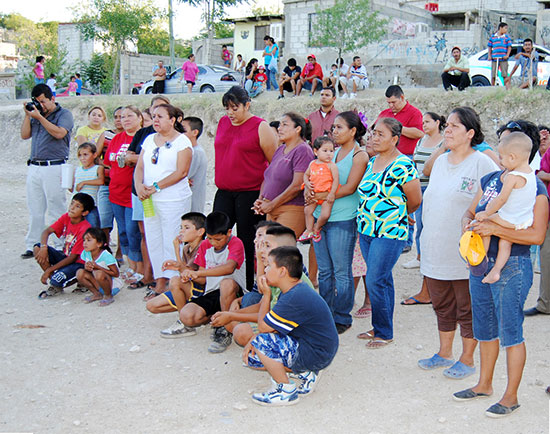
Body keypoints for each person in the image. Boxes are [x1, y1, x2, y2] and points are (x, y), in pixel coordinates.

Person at [455, 124, 548, 418]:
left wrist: (493, 227)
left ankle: (511, 396)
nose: (502, 151)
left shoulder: (536, 186)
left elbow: (536, 236)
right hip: (480, 262)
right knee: (484, 326)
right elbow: (471, 212)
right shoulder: (492, 178)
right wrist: (468, 227)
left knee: (511, 331)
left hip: (513, 265)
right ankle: (484, 384)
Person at [418, 107, 498, 379]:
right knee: (441, 303)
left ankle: (467, 358)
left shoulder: (482, 163)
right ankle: (444, 352)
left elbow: (496, 199)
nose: (447, 130)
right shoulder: (440, 161)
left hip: (465, 250)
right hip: (434, 244)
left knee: (467, 306)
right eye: (447, 125)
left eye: (454, 126)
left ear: (471, 133)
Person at [243, 246, 339, 406]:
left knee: (262, 343)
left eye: (268, 266)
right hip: (318, 348)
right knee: (254, 357)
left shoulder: (294, 296)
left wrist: (266, 295)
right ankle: (307, 373)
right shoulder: (294, 290)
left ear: (282, 271)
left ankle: (285, 391)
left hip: (317, 352)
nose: (265, 270)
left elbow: (263, 328)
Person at [356, 118, 421, 349]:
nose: (374, 137)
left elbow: (415, 199)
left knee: (375, 279)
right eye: (373, 133)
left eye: (380, 134)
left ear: (395, 139)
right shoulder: (372, 161)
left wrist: (401, 212)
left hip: (390, 231)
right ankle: (380, 325)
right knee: (382, 279)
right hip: (366, 230)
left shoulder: (403, 164)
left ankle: (384, 332)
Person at [306, 111, 369, 334]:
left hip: (343, 218)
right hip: (320, 216)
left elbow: (350, 187)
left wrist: (318, 198)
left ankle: (342, 316)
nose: (334, 131)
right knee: (324, 270)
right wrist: (310, 191)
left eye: (339, 127)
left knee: (342, 271)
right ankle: (326, 312)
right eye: (333, 127)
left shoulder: (358, 155)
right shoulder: (330, 152)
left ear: (353, 131)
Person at [213, 86, 278, 290]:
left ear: (247, 105)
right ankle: (219, 282)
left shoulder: (261, 126)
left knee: (248, 241)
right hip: (224, 190)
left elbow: (273, 163)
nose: (230, 112)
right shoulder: (223, 122)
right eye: (227, 108)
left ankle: (250, 286)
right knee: (216, 234)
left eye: (235, 108)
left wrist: (265, 196)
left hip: (250, 192)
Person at [211, 224, 314, 348]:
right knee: (232, 322)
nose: (261, 250)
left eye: (267, 246)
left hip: (299, 335)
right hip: (279, 323)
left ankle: (276, 355)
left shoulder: (291, 279)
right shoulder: (275, 272)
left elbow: (267, 322)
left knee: (241, 331)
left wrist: (232, 315)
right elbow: (262, 306)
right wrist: (228, 315)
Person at [134, 104, 193, 297]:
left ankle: (172, 280)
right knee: (153, 237)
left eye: (160, 116)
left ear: (173, 119)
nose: (155, 120)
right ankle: (160, 278)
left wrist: (157, 186)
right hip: (150, 199)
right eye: (153, 116)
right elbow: (140, 167)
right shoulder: (149, 139)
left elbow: (181, 172)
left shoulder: (182, 141)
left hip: (173, 199)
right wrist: (139, 186)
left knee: (172, 239)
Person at [172, 211, 247, 352]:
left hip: (235, 292)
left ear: (229, 232)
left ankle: (224, 328)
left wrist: (198, 272)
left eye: (218, 239)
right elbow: (203, 279)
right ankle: (214, 318)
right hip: (212, 292)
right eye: (210, 238)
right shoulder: (205, 245)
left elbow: (229, 268)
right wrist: (190, 275)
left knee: (226, 283)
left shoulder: (236, 243)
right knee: (187, 316)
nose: (214, 243)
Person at [20, 83, 74, 259]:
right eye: (37, 102)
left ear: (52, 98)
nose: (40, 106)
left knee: (56, 207)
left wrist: (40, 118)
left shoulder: (64, 114)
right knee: (35, 207)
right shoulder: (36, 115)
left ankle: (59, 245)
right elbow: (24, 134)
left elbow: (59, 133)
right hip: (35, 166)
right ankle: (33, 244)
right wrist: (28, 115)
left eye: (43, 102)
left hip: (54, 166)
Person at [475, 133, 537, 284]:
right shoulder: (531, 175)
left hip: (507, 218)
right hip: (522, 221)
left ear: (512, 157)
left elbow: (501, 199)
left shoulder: (512, 176)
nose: (500, 162)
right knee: (505, 242)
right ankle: (496, 270)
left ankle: (479, 259)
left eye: (502, 157)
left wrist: (487, 213)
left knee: (484, 225)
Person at [124, 96, 171, 290]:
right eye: (154, 110)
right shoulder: (144, 134)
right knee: (146, 233)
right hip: (142, 193)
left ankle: (167, 277)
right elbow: (129, 158)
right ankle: (149, 275)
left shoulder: (176, 136)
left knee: (168, 234)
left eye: (161, 111)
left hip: (166, 194)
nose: (157, 115)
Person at [402, 112, 445, 306]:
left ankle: (428, 263)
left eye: (428, 122)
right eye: (423, 122)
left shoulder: (443, 142)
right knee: (419, 224)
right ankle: (420, 257)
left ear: (437, 123)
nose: (424, 125)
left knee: (429, 227)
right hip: (419, 186)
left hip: (433, 187)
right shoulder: (421, 140)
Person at [376, 85, 423, 253]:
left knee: (405, 199)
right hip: (385, 159)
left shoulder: (414, 112)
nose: (391, 106)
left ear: (402, 98)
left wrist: (397, 128)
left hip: (406, 158)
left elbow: (419, 133)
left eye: (394, 102)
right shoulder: (385, 114)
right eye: (388, 103)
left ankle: (407, 239)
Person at [253, 112, 314, 238]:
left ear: (298, 129)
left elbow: (297, 185)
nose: (279, 128)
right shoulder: (281, 149)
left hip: (290, 208)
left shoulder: (303, 150)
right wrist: (261, 199)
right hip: (271, 207)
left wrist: (272, 204)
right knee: (269, 250)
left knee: (281, 249)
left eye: (285, 125)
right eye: (279, 125)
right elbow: (268, 176)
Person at [146, 212, 206, 337]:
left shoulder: (203, 247)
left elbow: (201, 280)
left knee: (175, 281)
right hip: (189, 287)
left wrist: (179, 266)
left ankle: (184, 321)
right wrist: (177, 250)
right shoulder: (186, 248)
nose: (182, 231)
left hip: (200, 290)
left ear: (200, 232)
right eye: (181, 227)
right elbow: (183, 271)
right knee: (151, 306)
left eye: (187, 228)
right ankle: (185, 312)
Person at [103, 106, 144, 285]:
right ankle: (130, 264)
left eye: (129, 116)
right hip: (115, 192)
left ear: (140, 118)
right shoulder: (116, 138)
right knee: (123, 231)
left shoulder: (143, 137)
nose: (125, 119)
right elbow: (108, 163)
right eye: (122, 116)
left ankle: (138, 268)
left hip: (132, 194)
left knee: (133, 231)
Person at [33, 193, 93, 298]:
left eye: (77, 206)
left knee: (58, 278)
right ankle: (55, 282)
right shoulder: (67, 217)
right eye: (72, 204)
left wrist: (49, 270)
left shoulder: (85, 229)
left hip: (79, 263)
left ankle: (82, 279)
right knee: (37, 248)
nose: (72, 208)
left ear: (85, 213)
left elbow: (73, 257)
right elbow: (46, 231)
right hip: (66, 257)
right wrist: (44, 247)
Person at [96, 107, 124, 258]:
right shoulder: (107, 135)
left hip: (123, 186)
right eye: (117, 117)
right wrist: (108, 164)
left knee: (122, 222)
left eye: (122, 116)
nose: (119, 120)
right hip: (106, 183)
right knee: (105, 221)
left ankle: (120, 252)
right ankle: (106, 252)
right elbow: (96, 155)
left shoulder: (131, 137)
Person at [299, 136, 339, 242]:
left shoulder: (332, 166)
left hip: (326, 194)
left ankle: (316, 227)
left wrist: (332, 194)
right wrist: (307, 184)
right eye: (325, 150)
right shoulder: (312, 163)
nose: (329, 154)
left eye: (331, 151)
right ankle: (308, 230)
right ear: (316, 151)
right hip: (313, 194)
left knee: (325, 215)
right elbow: (306, 175)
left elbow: (336, 180)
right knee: (307, 211)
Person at [77, 227, 120, 306]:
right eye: (84, 240)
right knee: (80, 273)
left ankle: (108, 296)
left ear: (99, 244)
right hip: (98, 283)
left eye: (89, 240)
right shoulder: (86, 253)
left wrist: (98, 267)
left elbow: (116, 274)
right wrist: (87, 268)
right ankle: (97, 294)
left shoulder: (106, 255)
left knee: (99, 273)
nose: (85, 243)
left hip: (112, 285)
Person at [72, 142, 104, 228]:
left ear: (94, 155)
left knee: (92, 227)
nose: (82, 158)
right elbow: (73, 187)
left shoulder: (98, 168)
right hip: (76, 206)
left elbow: (101, 181)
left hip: (91, 205)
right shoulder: (77, 170)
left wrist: (84, 182)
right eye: (80, 155)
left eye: (85, 155)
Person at [182, 117, 208, 213]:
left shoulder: (196, 153)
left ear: (195, 132)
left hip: (192, 203)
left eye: (183, 129)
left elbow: (182, 175)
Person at [488, 22, 512, 89]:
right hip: (495, 58)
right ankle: (492, 88)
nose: (506, 30)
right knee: (493, 74)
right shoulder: (493, 37)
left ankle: (506, 88)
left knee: (504, 74)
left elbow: (509, 47)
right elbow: (489, 47)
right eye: (505, 28)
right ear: (500, 28)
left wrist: (507, 55)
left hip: (503, 58)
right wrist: (489, 56)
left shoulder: (506, 37)